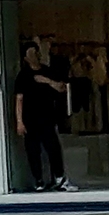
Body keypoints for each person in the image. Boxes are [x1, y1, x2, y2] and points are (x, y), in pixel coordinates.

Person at [13, 44, 73, 192]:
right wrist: (19, 122)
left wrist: (46, 81)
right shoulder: (23, 76)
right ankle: (38, 180)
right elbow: (19, 99)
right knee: (33, 151)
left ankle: (59, 178)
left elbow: (62, 87)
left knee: (53, 148)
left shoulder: (48, 71)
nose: (34, 56)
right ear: (26, 58)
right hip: (30, 119)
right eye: (30, 54)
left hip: (47, 117)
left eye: (36, 52)